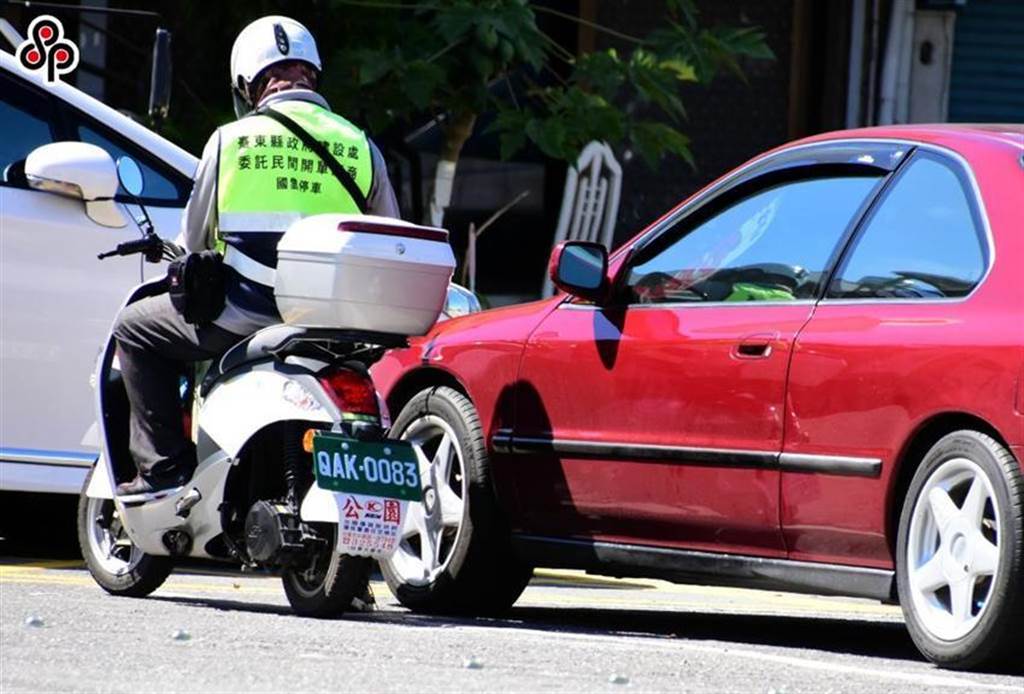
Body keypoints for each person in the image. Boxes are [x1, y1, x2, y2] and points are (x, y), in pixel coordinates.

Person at [114, 16, 400, 496]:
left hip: (246, 313)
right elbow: (387, 237)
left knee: (135, 329)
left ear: (248, 84)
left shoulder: (230, 140)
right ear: (313, 73)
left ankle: (162, 473)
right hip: (336, 323)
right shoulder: (361, 146)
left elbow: (193, 241)